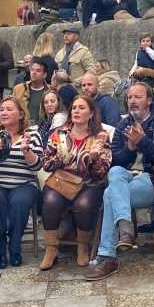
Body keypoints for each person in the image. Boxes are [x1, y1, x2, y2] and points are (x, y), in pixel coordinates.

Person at [86, 83, 154, 280]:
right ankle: (125, 230)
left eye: (137, 97)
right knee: (117, 172)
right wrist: (129, 148)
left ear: (149, 100)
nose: (132, 101)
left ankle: (108, 256)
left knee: (109, 194)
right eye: (129, 98)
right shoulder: (123, 125)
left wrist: (143, 142)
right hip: (125, 178)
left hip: (153, 179)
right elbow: (116, 161)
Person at [38, 94, 112, 270]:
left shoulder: (100, 136)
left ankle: (82, 247)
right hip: (62, 179)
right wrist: (62, 159)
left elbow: (102, 170)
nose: (76, 111)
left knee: (84, 204)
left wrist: (93, 159)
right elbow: (46, 163)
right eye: (74, 108)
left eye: (82, 108)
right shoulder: (59, 134)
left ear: (91, 113)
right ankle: (51, 249)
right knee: (49, 201)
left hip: (89, 183)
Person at [0, 98, 42, 269]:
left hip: (23, 182)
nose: (3, 112)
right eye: (2, 109)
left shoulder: (31, 135)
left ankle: (14, 247)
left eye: (9, 109)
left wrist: (26, 150)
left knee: (19, 202)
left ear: (20, 114)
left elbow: (37, 165)